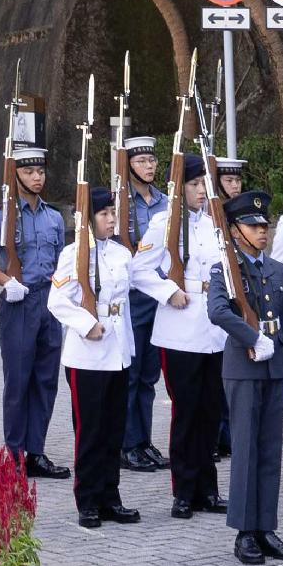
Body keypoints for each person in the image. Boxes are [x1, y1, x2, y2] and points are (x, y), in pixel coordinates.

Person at [193, 191, 283, 561]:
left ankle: (267, 527)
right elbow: (218, 311)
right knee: (246, 450)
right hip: (243, 367)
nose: (262, 231)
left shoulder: (276, 269)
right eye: (253, 226)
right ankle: (244, 532)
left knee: (270, 451)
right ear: (235, 230)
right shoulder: (225, 268)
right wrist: (253, 337)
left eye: (265, 225)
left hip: (272, 365)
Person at [44, 182, 145, 531]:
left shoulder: (120, 254)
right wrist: (87, 325)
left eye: (113, 213)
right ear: (88, 219)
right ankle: (87, 500)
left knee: (113, 429)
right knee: (90, 431)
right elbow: (56, 302)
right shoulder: (73, 254)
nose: (111, 219)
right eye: (104, 213)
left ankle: (110, 497)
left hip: (116, 351)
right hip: (87, 354)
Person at [137, 156, 229, 519]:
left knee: (211, 411)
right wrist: (167, 291)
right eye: (194, 185)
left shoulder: (215, 224)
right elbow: (138, 271)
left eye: (205, 184)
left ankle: (208, 489)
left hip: (213, 328)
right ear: (181, 187)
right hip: (180, 327)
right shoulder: (164, 223)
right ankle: (184, 490)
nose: (202, 191)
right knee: (186, 411)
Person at [0, 140, 70, 478]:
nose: (37, 177)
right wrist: (6, 282)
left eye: (40, 171)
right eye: (29, 171)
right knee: (18, 380)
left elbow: (63, 259)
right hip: (20, 301)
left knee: (46, 380)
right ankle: (15, 453)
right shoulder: (2, 217)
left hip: (49, 300)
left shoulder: (53, 217)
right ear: (14, 175)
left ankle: (36, 452)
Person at [114, 137, 170, 472]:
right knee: (131, 374)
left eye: (152, 160)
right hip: (132, 296)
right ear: (128, 165)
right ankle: (127, 443)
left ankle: (143, 440)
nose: (149, 166)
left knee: (149, 373)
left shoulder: (165, 202)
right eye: (141, 161)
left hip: (159, 294)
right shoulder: (120, 202)